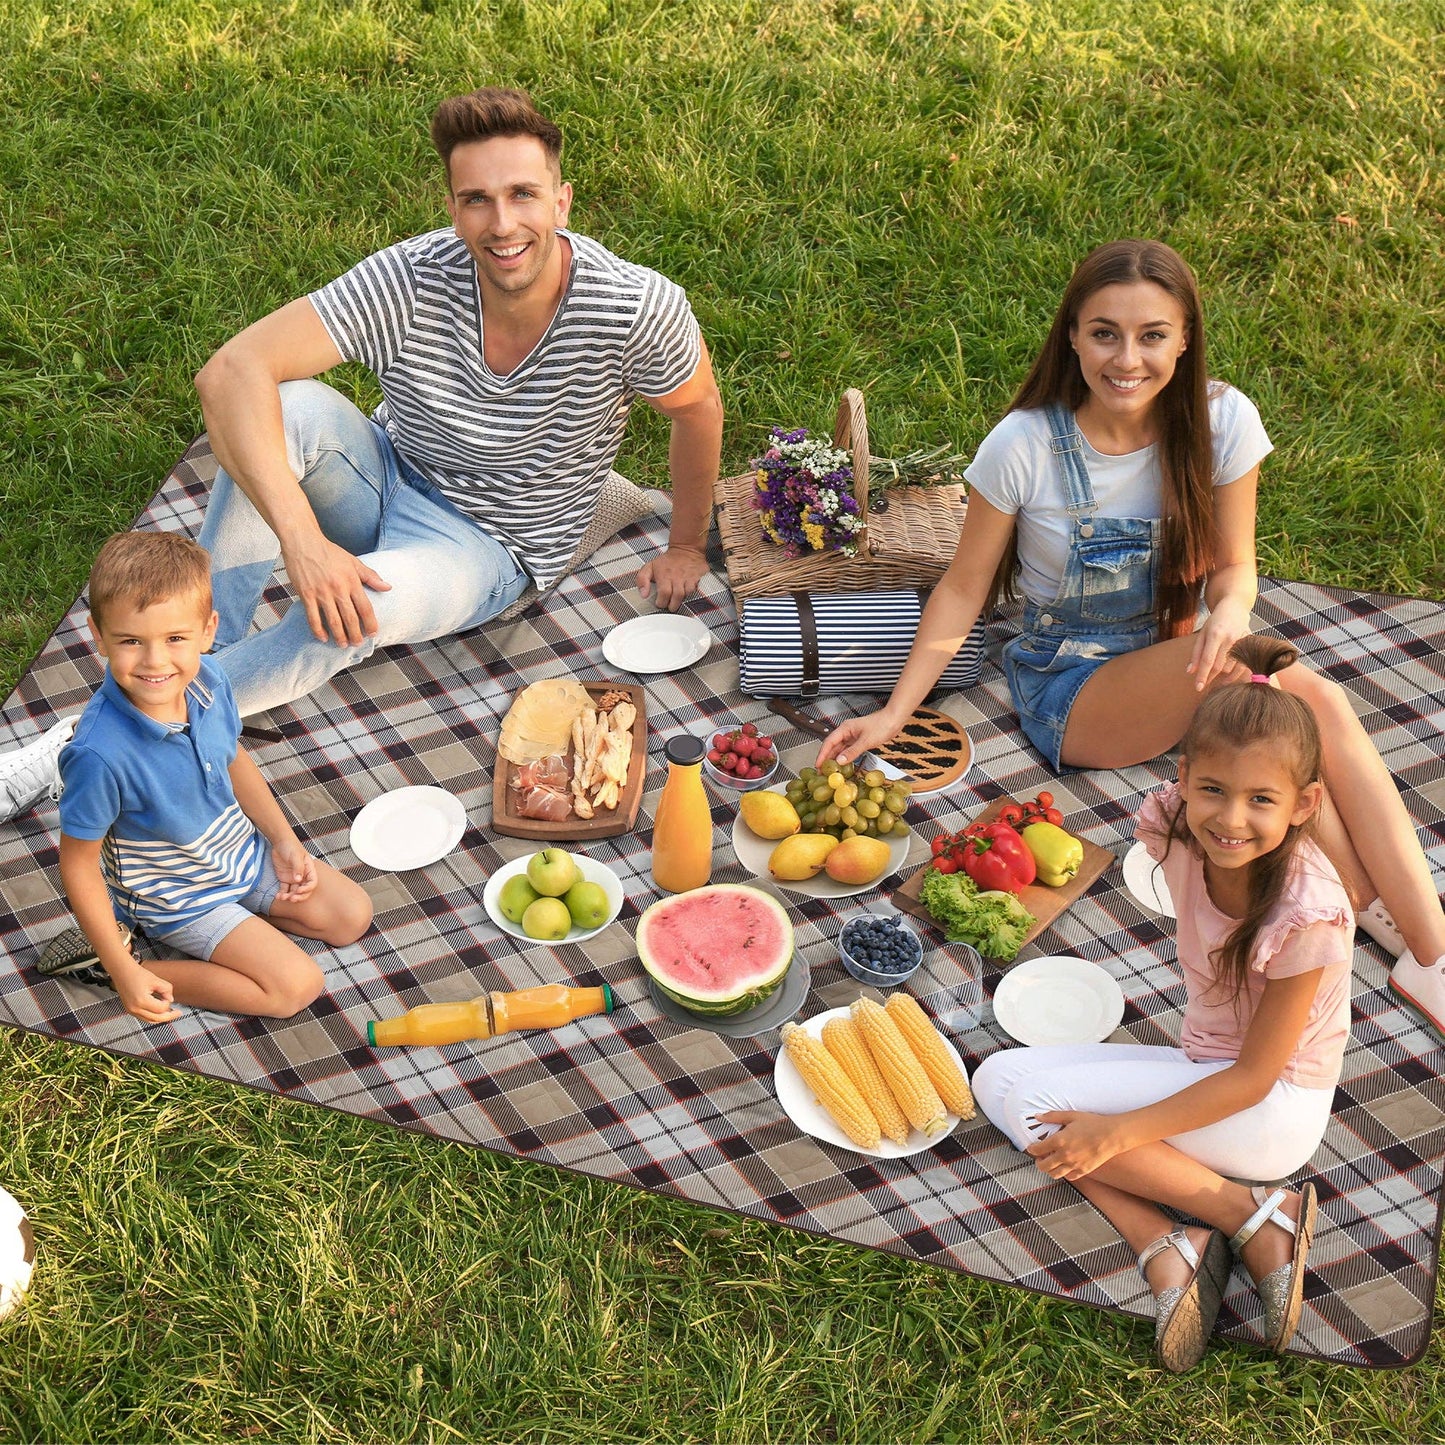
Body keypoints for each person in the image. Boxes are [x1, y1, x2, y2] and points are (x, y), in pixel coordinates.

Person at [817, 239, 1445, 1037]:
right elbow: (962, 589)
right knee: (1297, 695)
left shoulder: (1222, 421)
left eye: (1152, 334)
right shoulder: (1023, 445)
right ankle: (1426, 950)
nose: (1127, 357)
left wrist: (1229, 611)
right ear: (1071, 337)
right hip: (1072, 687)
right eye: (1104, 333)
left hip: (1184, 658)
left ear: (1184, 339)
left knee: (1299, 712)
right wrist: (896, 712)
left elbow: (1236, 569)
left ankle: (1392, 923)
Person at [193, 85, 723, 718]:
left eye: (522, 194)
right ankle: (196, 647)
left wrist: (687, 545)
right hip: (385, 473)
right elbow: (229, 372)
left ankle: (116, 731)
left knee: (340, 619)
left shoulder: (632, 308)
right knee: (285, 405)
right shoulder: (413, 275)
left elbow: (698, 408)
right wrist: (302, 539)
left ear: (562, 202)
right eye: (478, 200)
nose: (502, 225)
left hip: (489, 546)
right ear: (453, 209)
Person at [974, 638, 1351, 1370]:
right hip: (1205, 1062)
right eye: (1212, 788)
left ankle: (1248, 1213)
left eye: (1261, 800)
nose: (1230, 819)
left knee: (1040, 1106)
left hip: (1269, 1106)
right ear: (1181, 779)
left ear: (1302, 805)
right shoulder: (1175, 825)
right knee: (993, 1078)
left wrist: (1115, 1134)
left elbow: (1252, 1076)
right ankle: (1166, 1236)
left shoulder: (1307, 915)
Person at [45, 532, 372, 1023]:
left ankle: (244, 923)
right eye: (132, 641)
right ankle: (123, 964)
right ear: (98, 635)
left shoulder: (209, 681)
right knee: (295, 988)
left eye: (175, 638)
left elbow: (232, 756)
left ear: (206, 630)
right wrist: (123, 967)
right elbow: (78, 866)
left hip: (237, 853)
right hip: (177, 895)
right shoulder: (98, 755)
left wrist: (282, 840)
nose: (156, 662)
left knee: (351, 916)